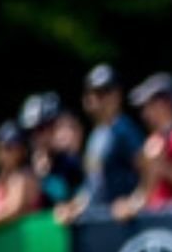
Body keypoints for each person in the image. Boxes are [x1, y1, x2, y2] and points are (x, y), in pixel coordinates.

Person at [57, 64, 145, 223]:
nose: (99, 99)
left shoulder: (125, 130)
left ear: (117, 94)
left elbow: (147, 172)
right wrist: (74, 206)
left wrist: (134, 203)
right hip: (99, 222)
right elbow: (93, 183)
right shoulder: (95, 135)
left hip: (123, 223)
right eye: (94, 92)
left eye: (105, 92)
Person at [114, 73, 172, 218]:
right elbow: (146, 189)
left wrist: (163, 166)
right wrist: (130, 205)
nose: (145, 114)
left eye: (149, 105)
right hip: (156, 219)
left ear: (167, 102)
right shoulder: (153, 140)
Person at [20, 91, 83, 208]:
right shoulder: (25, 166)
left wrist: (45, 179)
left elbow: (83, 198)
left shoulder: (71, 164)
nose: (36, 137)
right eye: (31, 132)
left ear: (54, 127)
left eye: (41, 129)